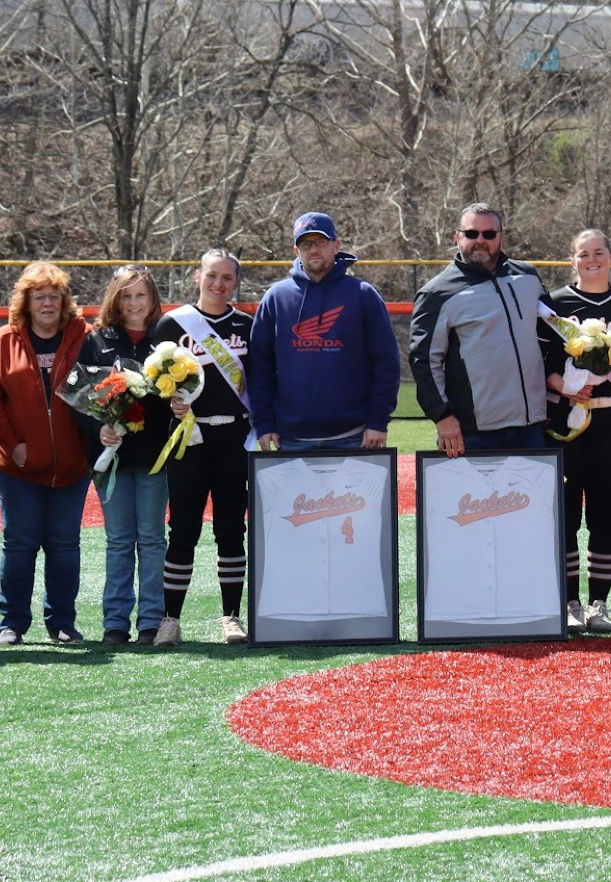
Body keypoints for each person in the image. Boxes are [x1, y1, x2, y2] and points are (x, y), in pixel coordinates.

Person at [149, 248, 254, 646]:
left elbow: (259, 383)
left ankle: (231, 617)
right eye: (212, 276)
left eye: (227, 278)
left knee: (231, 529)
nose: (218, 284)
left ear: (235, 283)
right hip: (189, 443)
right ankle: (170, 619)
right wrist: (169, 403)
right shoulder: (172, 325)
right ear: (197, 276)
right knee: (183, 531)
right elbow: (153, 385)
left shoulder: (247, 325)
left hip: (233, 440)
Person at [0, 262, 93, 646]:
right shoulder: (3, 339)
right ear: (26, 302)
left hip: (73, 465)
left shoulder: (84, 336)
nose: (47, 304)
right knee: (20, 543)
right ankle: (12, 623)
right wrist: (13, 444)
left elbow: (103, 391)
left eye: (54, 296)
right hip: (18, 466)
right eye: (38, 297)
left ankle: (62, 621)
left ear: (64, 301)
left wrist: (88, 442)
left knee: (64, 545)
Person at [541, 228, 611, 633]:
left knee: (607, 517)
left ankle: (600, 604)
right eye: (583, 253)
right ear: (573, 260)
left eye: (599, 252)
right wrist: (563, 385)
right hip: (565, 423)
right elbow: (541, 361)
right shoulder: (555, 304)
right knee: (566, 517)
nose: (592, 259)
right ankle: (570, 603)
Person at [249, 211, 401, 451]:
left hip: (354, 435)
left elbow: (386, 364)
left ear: (336, 245)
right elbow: (260, 368)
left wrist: (378, 420)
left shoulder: (362, 295)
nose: (314, 249)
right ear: (295, 251)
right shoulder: (276, 298)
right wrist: (264, 423)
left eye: (321, 242)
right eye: (306, 243)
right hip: (291, 438)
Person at [77, 265, 171, 645]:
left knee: (151, 538)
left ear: (152, 299)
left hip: (154, 456)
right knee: (117, 540)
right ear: (115, 299)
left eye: (141, 295)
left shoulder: (166, 341)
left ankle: (151, 621)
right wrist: (96, 428)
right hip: (111, 458)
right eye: (127, 296)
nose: (134, 303)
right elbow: (79, 398)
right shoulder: (97, 341)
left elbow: (176, 393)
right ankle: (115, 623)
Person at [409, 202, 549, 456]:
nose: (480, 240)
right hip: (473, 433)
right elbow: (424, 362)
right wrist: (442, 417)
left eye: (489, 234)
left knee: (537, 497)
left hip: (531, 427)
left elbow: (552, 336)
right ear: (458, 237)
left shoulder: (528, 277)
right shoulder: (437, 292)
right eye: (472, 233)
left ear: (501, 237)